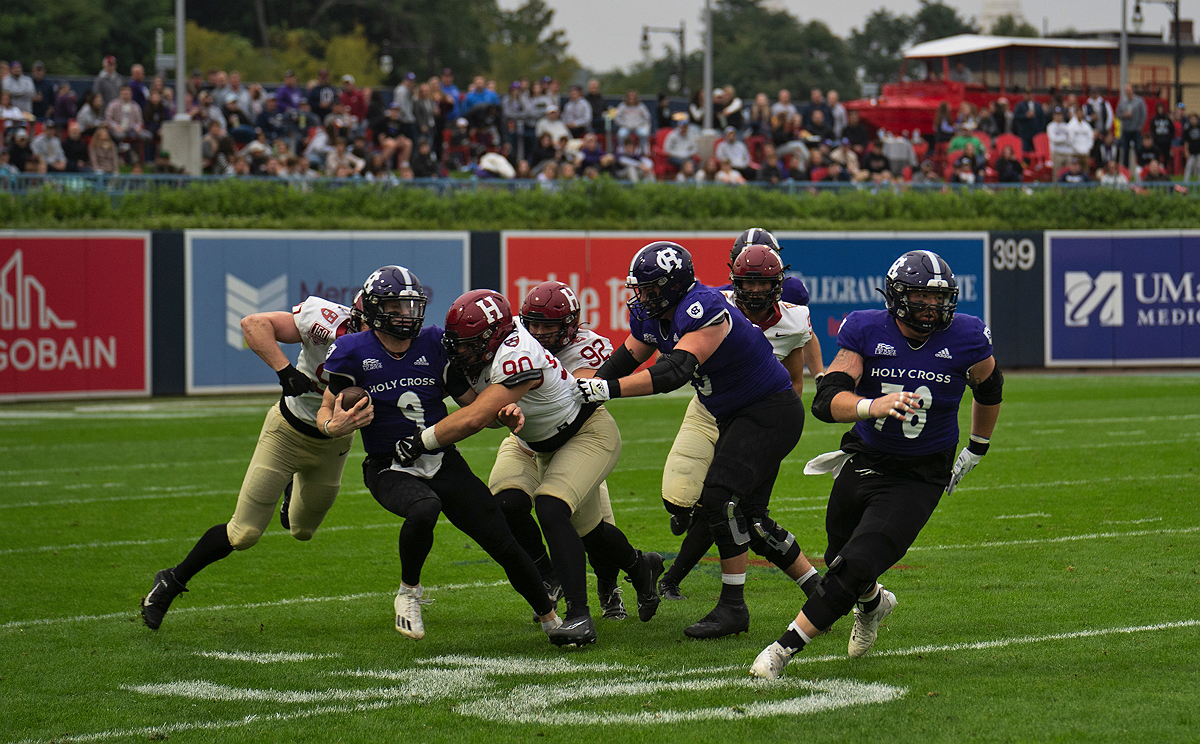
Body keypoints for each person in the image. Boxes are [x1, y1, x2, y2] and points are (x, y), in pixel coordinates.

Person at [749, 250, 1001, 679]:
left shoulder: (968, 336)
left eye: (939, 298)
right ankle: (872, 605)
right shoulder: (867, 328)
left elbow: (989, 387)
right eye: (922, 298)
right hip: (867, 457)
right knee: (838, 556)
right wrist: (872, 405)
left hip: (921, 474)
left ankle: (782, 650)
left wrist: (977, 447)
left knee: (857, 564)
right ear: (899, 296)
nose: (932, 307)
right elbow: (827, 401)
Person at [392, 288, 664, 647]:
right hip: (530, 440)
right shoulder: (500, 339)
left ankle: (579, 617)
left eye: (471, 344)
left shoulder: (518, 353)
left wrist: (422, 440)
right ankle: (637, 566)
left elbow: (475, 418)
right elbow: (485, 411)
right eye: (459, 343)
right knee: (561, 522)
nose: (462, 352)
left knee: (552, 508)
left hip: (583, 434)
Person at [575, 241, 814, 639]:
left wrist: (604, 391)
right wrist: (581, 394)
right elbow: (625, 359)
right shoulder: (658, 315)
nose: (644, 297)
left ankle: (733, 608)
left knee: (720, 498)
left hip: (768, 412)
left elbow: (674, 373)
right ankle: (821, 590)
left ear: (673, 285)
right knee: (752, 521)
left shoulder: (702, 308)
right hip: (735, 415)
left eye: (651, 289)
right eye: (641, 289)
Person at [317, 268, 563, 642]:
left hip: (442, 459)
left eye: (412, 305)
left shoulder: (434, 343)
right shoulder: (352, 350)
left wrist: (501, 414)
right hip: (389, 464)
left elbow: (470, 403)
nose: (407, 314)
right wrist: (332, 427)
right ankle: (408, 593)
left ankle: (550, 619)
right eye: (397, 305)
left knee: (500, 537)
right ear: (375, 308)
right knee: (424, 508)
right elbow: (327, 409)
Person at [140, 292, 367, 630]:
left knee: (302, 530)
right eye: (391, 311)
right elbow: (253, 324)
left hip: (333, 441)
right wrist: (285, 369)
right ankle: (171, 581)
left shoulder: (402, 351)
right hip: (287, 431)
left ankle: (292, 486)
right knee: (243, 533)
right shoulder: (326, 319)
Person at [656, 241, 824, 605]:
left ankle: (677, 582)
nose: (756, 290)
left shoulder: (795, 317)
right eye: (748, 283)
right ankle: (816, 591)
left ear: (779, 281)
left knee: (731, 505)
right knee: (693, 501)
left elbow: (795, 379)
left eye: (764, 283)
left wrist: (773, 434)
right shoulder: (713, 305)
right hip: (710, 409)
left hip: (760, 415)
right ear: (734, 278)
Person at [487, 281, 630, 621]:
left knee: (594, 535)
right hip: (524, 441)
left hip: (577, 441)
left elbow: (576, 392)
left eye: (547, 326)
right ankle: (548, 576)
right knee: (505, 501)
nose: (537, 332)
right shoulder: (514, 337)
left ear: (569, 326)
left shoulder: (588, 346)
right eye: (532, 323)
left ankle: (610, 587)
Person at [1116, 84, 1146, 168]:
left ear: (1133, 90)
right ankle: (1126, 171)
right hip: (1126, 130)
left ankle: (1139, 169)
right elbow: (1118, 114)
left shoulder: (1139, 101)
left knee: (1138, 150)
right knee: (1125, 151)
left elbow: (1143, 114)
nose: (1128, 92)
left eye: (1129, 90)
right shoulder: (1122, 102)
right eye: (1126, 90)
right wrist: (1124, 116)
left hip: (1136, 130)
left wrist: (1139, 126)